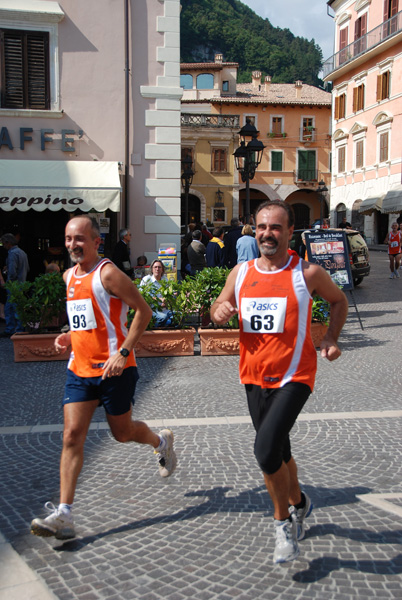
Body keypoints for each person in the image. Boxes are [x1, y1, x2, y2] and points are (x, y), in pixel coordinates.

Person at [210, 200, 348, 564]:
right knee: (281, 451)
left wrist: (331, 339)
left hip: (295, 376)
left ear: (289, 232)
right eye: (261, 227)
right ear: (253, 230)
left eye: (275, 228)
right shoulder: (239, 273)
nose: (267, 234)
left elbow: (338, 302)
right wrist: (219, 311)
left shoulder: (308, 273)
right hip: (253, 376)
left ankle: (282, 522)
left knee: (265, 450)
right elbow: (218, 307)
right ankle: (300, 502)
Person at [30, 216, 177, 540]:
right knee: (71, 436)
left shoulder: (109, 273)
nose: (72, 245)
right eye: (68, 239)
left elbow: (143, 311)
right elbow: (88, 320)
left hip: (116, 370)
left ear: (97, 242)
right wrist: (69, 336)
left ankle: (161, 442)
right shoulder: (68, 276)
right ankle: (64, 514)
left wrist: (123, 352)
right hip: (79, 370)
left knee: (122, 433)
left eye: (79, 239)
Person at [0, 233, 30, 337]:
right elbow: (27, 268)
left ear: (8, 243)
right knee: (16, 307)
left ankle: (13, 329)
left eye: (4, 243)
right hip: (22, 283)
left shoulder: (12, 254)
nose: (3, 246)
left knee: (11, 308)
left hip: (14, 284)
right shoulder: (22, 252)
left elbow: (12, 272)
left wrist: (8, 282)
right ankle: (17, 329)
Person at [140, 259, 174, 327]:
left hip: (164, 309)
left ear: (162, 270)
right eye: (155, 267)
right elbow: (141, 296)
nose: (157, 269)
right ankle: (155, 332)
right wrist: (158, 300)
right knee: (163, 318)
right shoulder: (146, 280)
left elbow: (169, 295)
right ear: (152, 270)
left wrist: (166, 300)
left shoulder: (165, 279)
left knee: (178, 316)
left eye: (159, 267)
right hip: (151, 309)